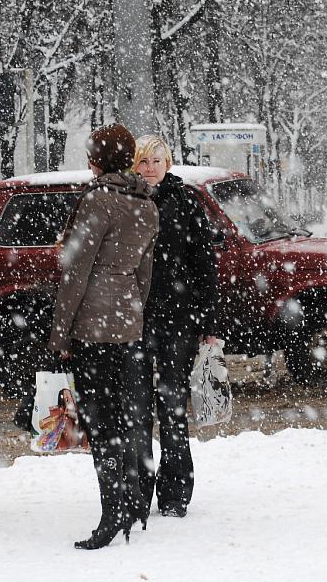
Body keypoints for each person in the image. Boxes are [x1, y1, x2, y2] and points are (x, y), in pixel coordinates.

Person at [48, 123, 158, 550]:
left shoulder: (98, 199)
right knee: (129, 418)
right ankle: (131, 505)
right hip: (127, 322)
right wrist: (133, 313)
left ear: (96, 160)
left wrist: (60, 333)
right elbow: (144, 275)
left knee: (101, 420)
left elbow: (76, 273)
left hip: (93, 324)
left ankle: (111, 512)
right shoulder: (146, 203)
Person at [131, 135, 220, 522]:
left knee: (172, 408)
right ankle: (138, 488)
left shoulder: (184, 201)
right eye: (142, 161)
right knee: (135, 410)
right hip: (132, 319)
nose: (149, 167)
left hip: (177, 320)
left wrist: (208, 320)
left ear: (167, 162)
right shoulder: (127, 201)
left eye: (156, 160)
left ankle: (175, 491)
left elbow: (205, 263)